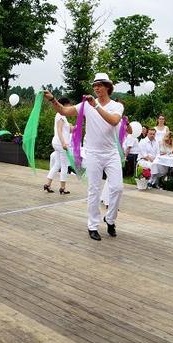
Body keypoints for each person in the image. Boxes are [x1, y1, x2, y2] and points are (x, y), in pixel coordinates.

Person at [44, 73, 123, 241]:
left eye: (100, 85)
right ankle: (92, 226)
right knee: (94, 189)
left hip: (111, 153)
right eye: (94, 85)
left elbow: (114, 121)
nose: (96, 88)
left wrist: (95, 106)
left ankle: (110, 219)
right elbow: (64, 110)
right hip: (93, 153)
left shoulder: (116, 106)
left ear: (108, 87)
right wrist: (52, 100)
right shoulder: (86, 105)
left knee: (117, 188)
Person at [44, 97, 72, 194]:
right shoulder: (61, 115)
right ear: (64, 105)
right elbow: (60, 131)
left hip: (57, 143)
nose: (70, 106)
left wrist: (73, 127)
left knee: (58, 164)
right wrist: (64, 143)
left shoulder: (61, 115)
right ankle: (62, 188)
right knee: (64, 165)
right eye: (69, 104)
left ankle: (47, 184)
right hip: (60, 143)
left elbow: (65, 130)